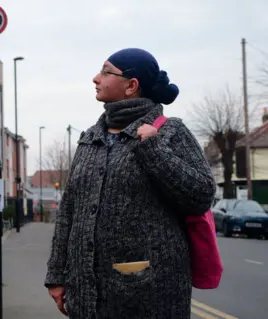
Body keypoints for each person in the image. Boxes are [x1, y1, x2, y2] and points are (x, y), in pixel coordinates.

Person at [44, 48, 216, 319]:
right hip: (87, 295)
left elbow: (201, 195)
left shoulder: (170, 132)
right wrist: (56, 276)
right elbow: (68, 212)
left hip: (151, 295)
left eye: (105, 71)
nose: (95, 79)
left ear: (131, 86)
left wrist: (153, 149)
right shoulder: (90, 138)